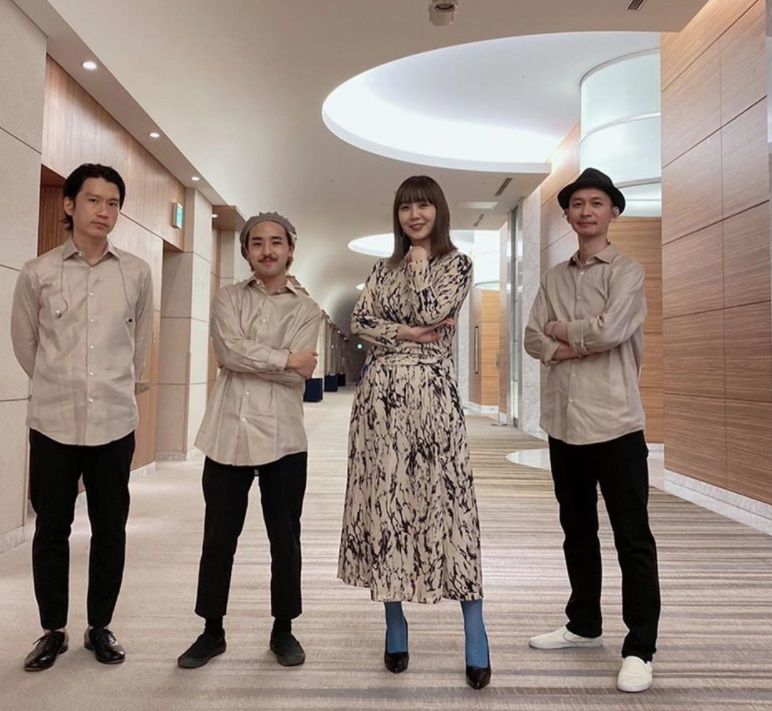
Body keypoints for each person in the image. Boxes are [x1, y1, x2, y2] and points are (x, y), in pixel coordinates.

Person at [338, 175, 491, 690]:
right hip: (380, 402)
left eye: (424, 205)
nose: (414, 215)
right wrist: (406, 333)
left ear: (439, 211)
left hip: (432, 398)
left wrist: (421, 267)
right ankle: (394, 623)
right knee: (388, 504)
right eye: (405, 208)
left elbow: (434, 313)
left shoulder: (457, 264)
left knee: (449, 506)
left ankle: (475, 629)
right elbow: (360, 322)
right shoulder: (381, 269)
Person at [12, 163, 154, 670]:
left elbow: (141, 343)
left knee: (110, 527)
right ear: (69, 205)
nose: (104, 211)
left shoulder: (136, 272)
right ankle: (53, 630)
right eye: (93, 200)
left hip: (114, 420)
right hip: (53, 420)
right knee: (52, 527)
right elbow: (26, 344)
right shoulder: (38, 272)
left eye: (113, 203)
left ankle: (100, 626)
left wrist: (114, 385)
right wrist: (60, 382)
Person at [524, 167, 661, 693]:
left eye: (596, 203)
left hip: (617, 423)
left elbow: (611, 330)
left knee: (632, 537)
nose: (586, 211)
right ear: (567, 215)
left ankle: (640, 647)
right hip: (565, 424)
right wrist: (571, 341)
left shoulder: (628, 272)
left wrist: (564, 333)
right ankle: (583, 625)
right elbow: (533, 339)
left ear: (613, 212)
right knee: (577, 530)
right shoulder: (552, 278)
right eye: (577, 204)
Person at [177, 212, 320, 670]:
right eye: (257, 243)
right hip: (228, 433)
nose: (267, 250)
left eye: (276, 242)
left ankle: (284, 629)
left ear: (291, 249)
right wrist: (285, 359)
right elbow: (229, 351)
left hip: (284, 436)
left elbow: (299, 371)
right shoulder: (227, 298)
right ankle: (211, 630)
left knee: (285, 539)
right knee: (218, 538)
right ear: (245, 251)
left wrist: (265, 361)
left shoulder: (307, 309)